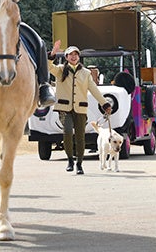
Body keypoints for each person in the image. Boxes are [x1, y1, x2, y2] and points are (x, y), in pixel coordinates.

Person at [48, 42, 112, 175]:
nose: (73, 57)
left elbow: (94, 90)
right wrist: (52, 54)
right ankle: (70, 160)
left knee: (80, 137)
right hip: (64, 108)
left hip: (80, 109)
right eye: (71, 54)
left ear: (79, 57)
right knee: (67, 132)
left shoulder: (86, 73)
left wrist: (104, 103)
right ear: (66, 57)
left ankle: (79, 164)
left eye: (76, 54)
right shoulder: (60, 70)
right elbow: (48, 67)